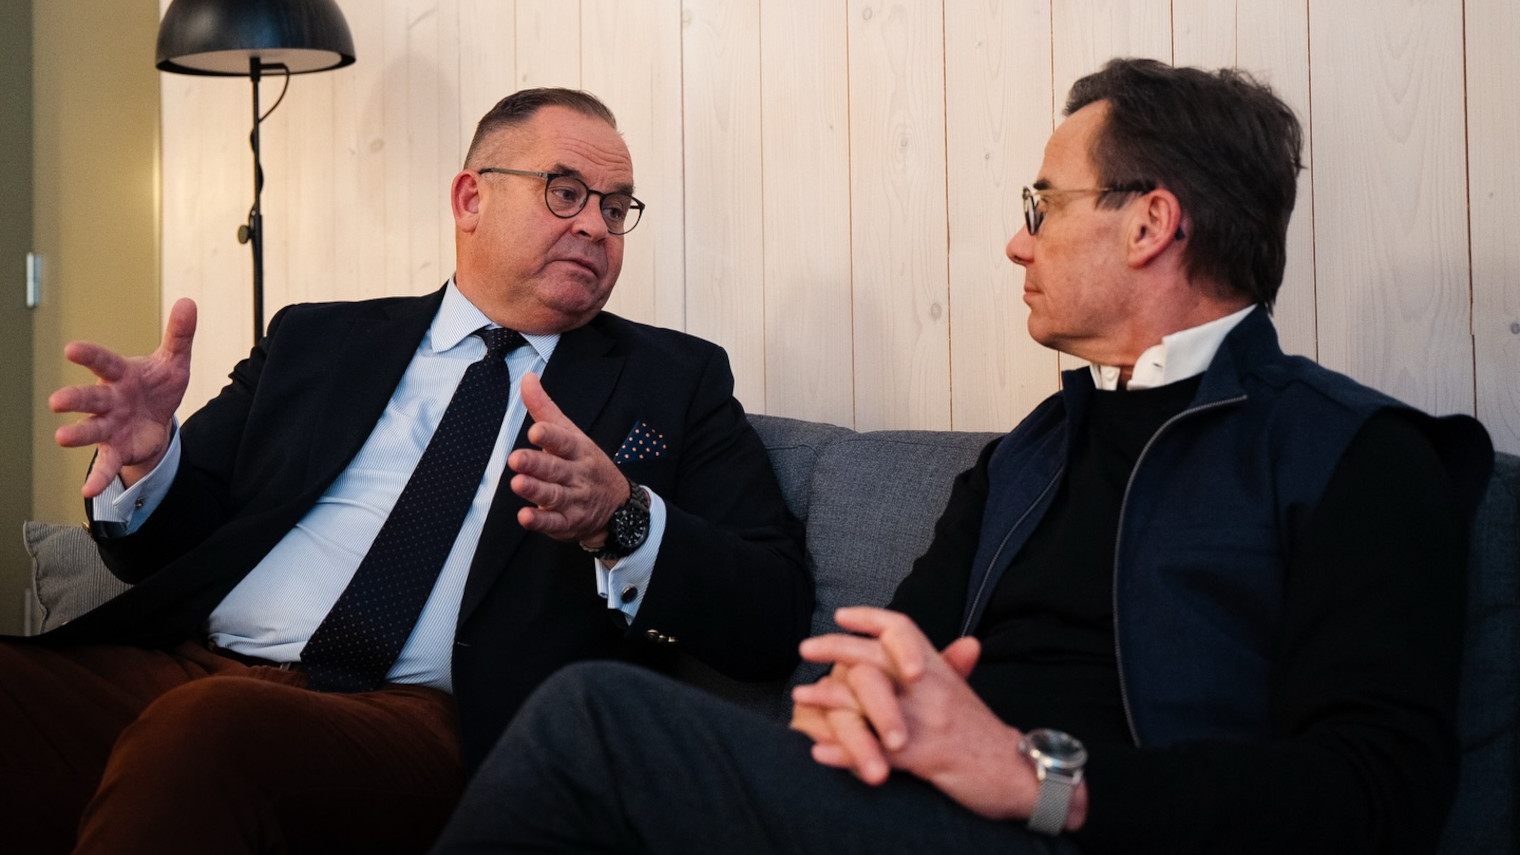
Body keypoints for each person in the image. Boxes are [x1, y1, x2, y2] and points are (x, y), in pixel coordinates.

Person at [426, 59, 1495, 855]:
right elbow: (884, 658)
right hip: (919, 817)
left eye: (1043, 205)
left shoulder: (1357, 454)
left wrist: (1042, 781)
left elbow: (1379, 793)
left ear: (1149, 225)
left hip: (1090, 830)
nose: (1017, 242)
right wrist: (848, 705)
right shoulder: (1029, 455)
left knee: (592, 718)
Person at [0, 88, 811, 855]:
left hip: (431, 724)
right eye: (566, 192)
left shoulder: (674, 381)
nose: (597, 226)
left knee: (208, 730)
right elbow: (169, 546)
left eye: (615, 207)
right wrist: (150, 460)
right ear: (470, 198)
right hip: (196, 667)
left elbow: (773, 614)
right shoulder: (316, 341)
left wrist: (620, 516)